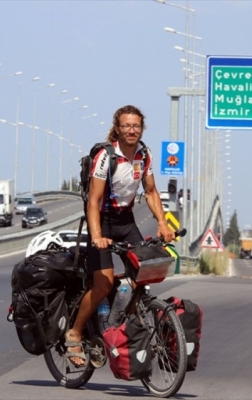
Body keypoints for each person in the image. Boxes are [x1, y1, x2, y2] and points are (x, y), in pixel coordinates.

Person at [65, 105, 175, 367]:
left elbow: (150, 192)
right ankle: (75, 333)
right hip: (102, 221)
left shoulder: (143, 154)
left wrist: (162, 223)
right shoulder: (106, 155)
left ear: (142, 128)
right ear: (117, 128)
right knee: (103, 284)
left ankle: (116, 323)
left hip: (125, 221)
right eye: (126, 125)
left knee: (145, 272)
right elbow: (94, 200)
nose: (131, 130)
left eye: (136, 126)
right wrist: (97, 236)